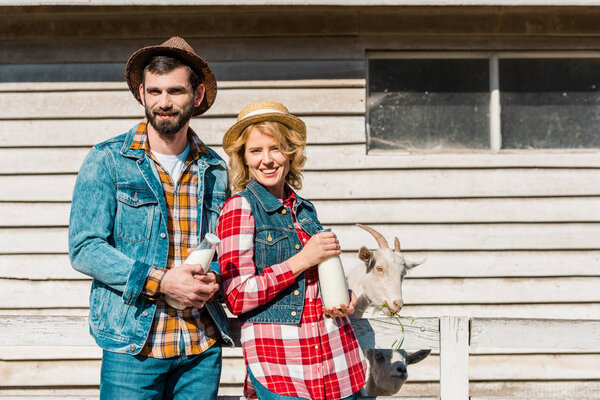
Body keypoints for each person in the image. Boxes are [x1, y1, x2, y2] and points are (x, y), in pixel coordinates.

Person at [68, 37, 232, 399]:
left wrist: (216, 277)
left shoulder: (216, 169)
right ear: (141, 93)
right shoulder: (108, 160)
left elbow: (227, 246)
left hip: (200, 348)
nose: (164, 102)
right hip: (133, 347)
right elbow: (84, 248)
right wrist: (161, 281)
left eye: (175, 90)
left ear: (198, 95)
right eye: (155, 91)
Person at [216, 100, 367, 400]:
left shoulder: (305, 210)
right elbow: (236, 296)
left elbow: (318, 282)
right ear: (243, 159)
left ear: (291, 152)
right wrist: (302, 260)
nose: (267, 160)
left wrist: (341, 299)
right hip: (279, 362)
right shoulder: (240, 208)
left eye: (275, 148)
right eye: (255, 151)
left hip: (334, 357)